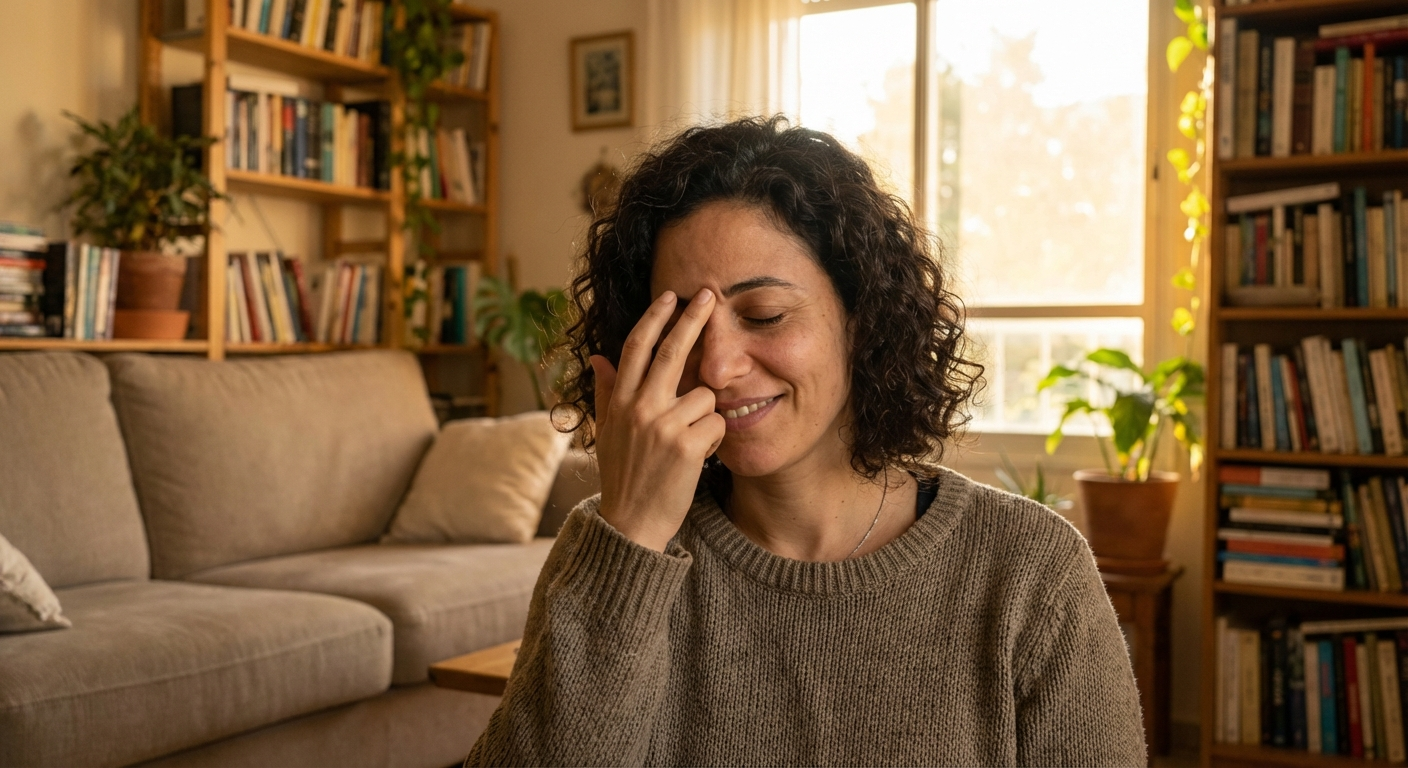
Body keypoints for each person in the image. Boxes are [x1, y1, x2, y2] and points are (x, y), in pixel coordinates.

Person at [466, 116, 1145, 766]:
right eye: (680, 327)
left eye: (763, 315)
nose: (717, 366)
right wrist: (635, 533)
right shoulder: (612, 549)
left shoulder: (1031, 573)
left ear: (862, 317)